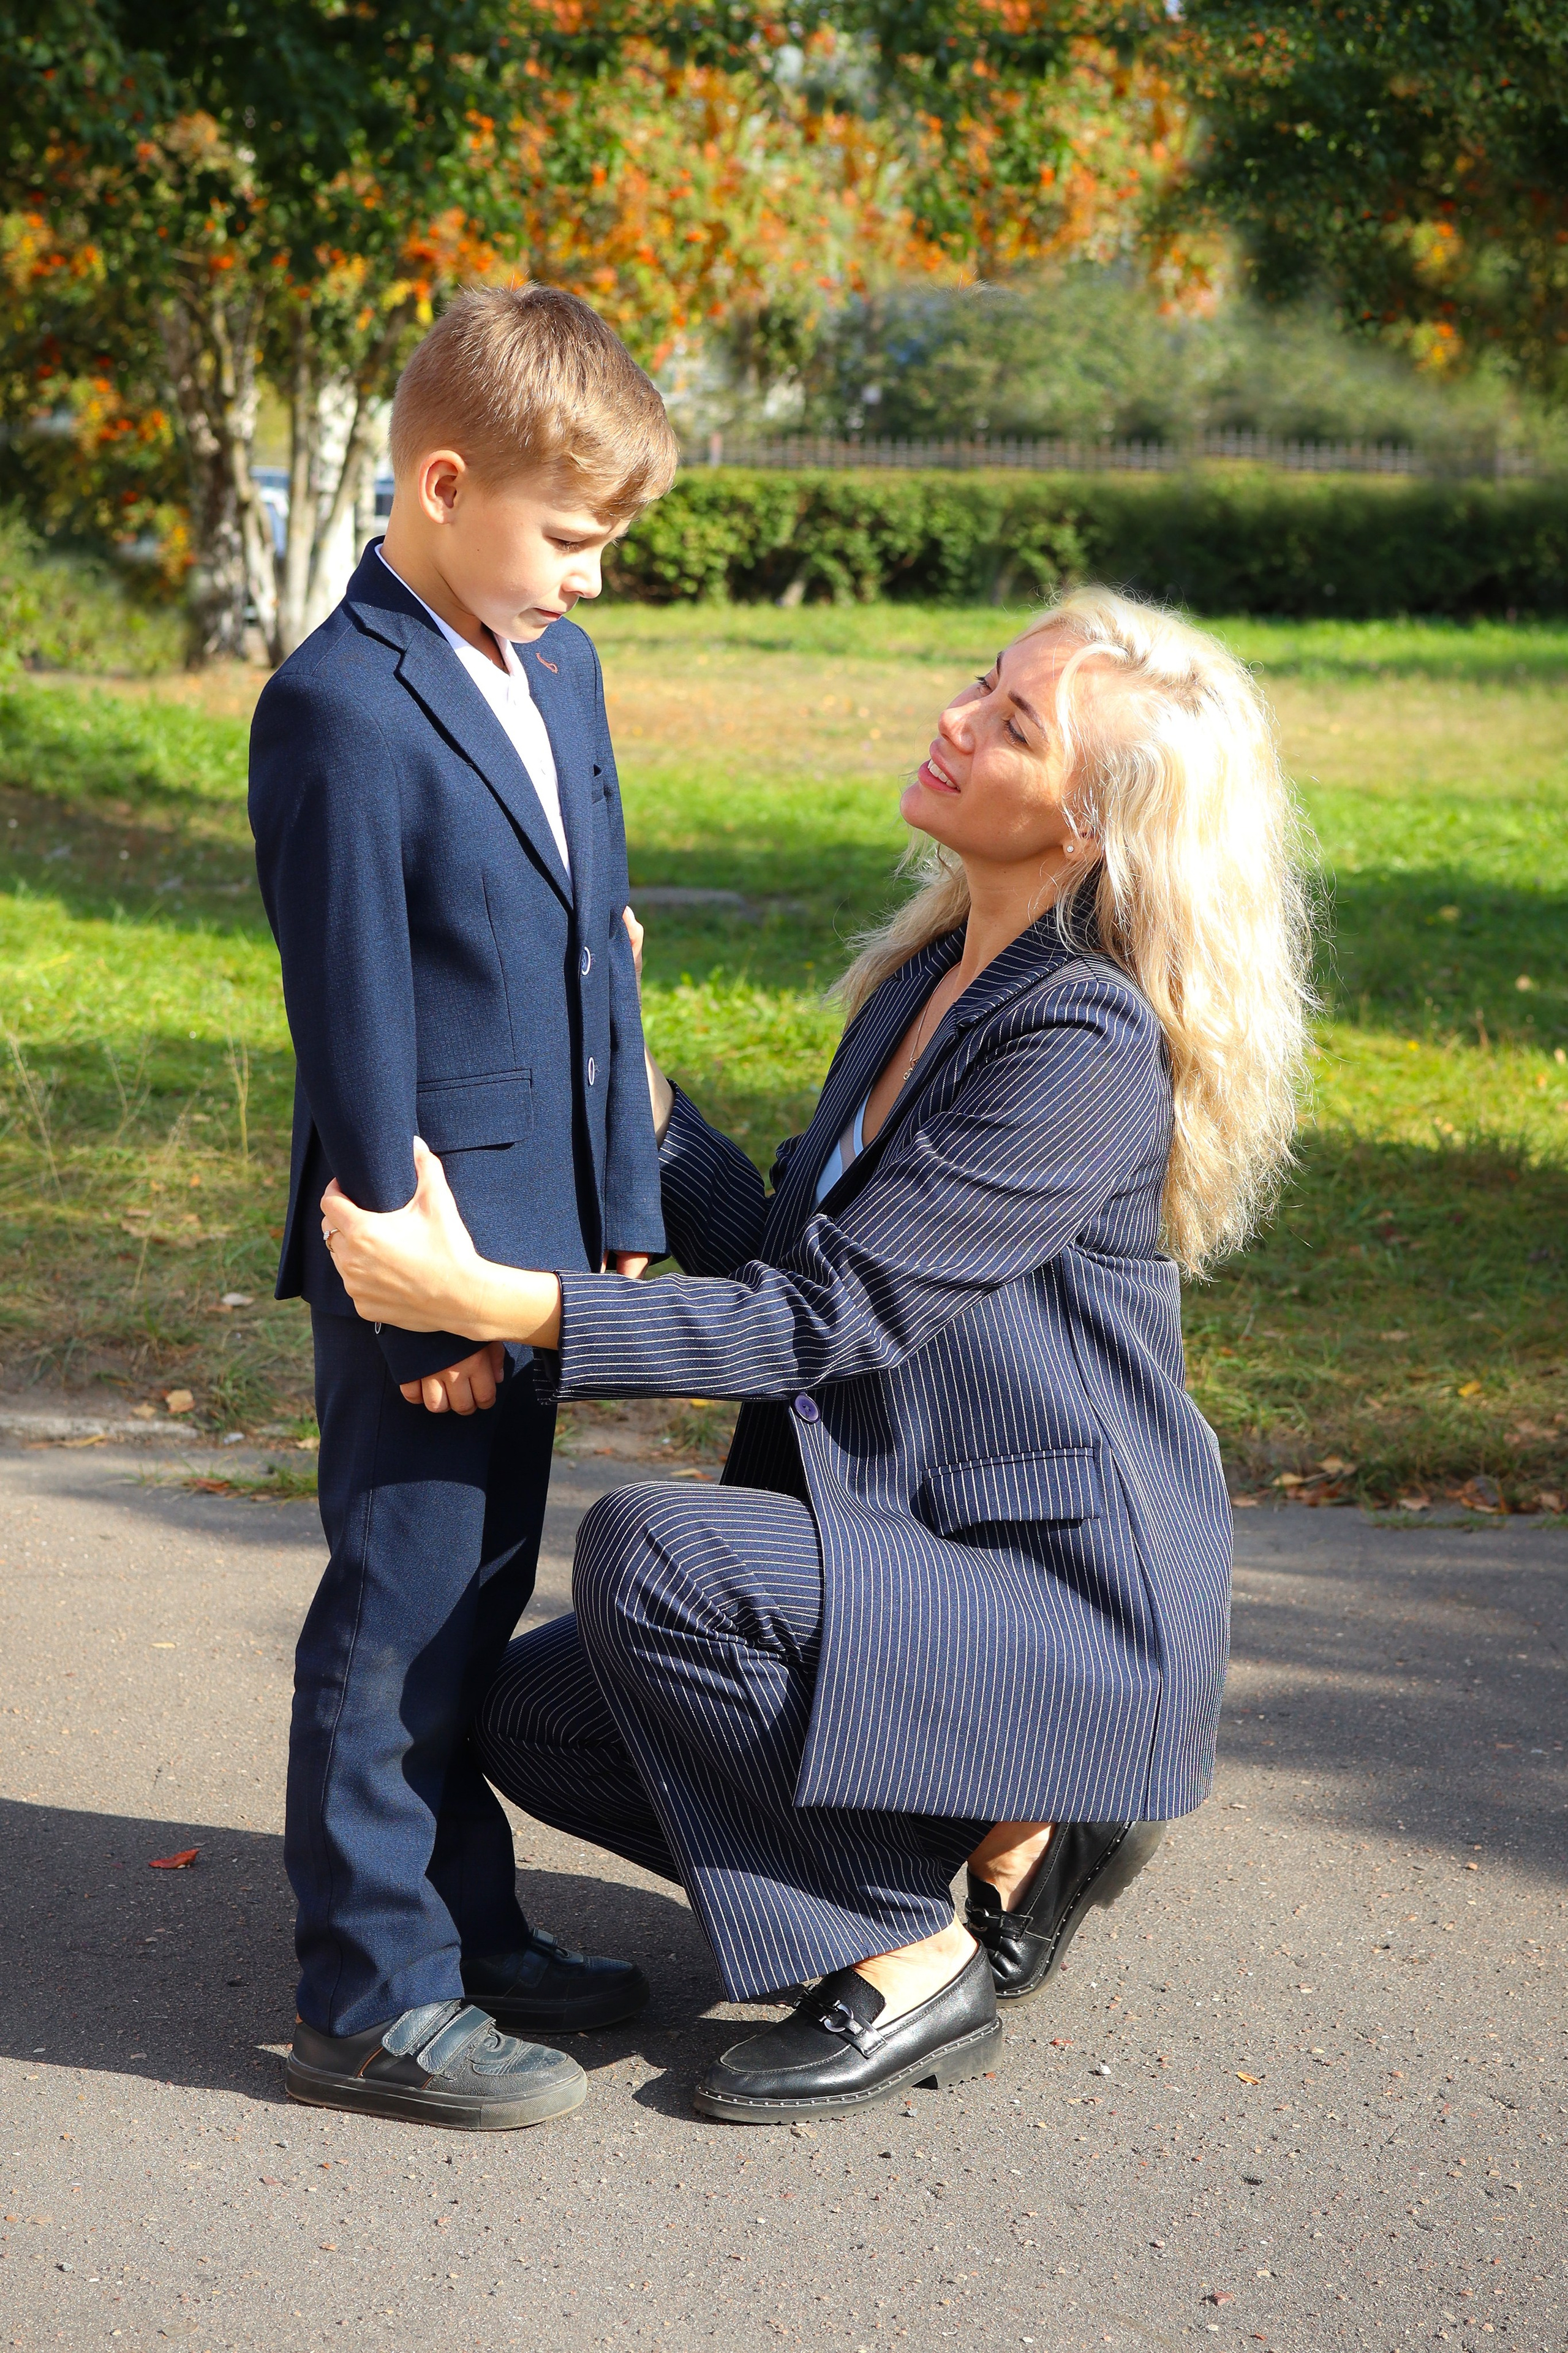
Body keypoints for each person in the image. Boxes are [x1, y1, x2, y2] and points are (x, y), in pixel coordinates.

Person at [320, 587, 1313, 2123]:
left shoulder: (1083, 1045)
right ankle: (994, 1838)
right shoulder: (934, 978)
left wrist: (500, 1301)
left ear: (1091, 828)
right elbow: (798, 1242)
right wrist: (623, 1083)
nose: (957, 717)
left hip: (1056, 1593)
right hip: (915, 1554)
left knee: (660, 1553)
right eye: (983, 682)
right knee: (534, 1715)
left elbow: (820, 1322)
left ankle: (911, 1952)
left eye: (1011, 724)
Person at [249, 286, 677, 2132]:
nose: (588, 580)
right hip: (419, 1253)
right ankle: (370, 1993)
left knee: (485, 1586)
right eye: (571, 538)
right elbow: (356, 1024)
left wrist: (623, 1206)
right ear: (441, 479)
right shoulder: (341, 704)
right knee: (400, 1606)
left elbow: (603, 969)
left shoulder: (555, 668)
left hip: (537, 1247)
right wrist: (411, 1297)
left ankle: (464, 1924)